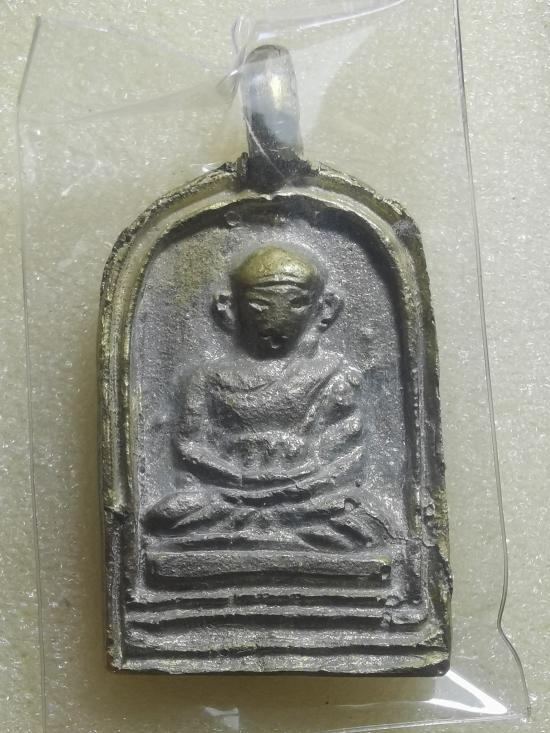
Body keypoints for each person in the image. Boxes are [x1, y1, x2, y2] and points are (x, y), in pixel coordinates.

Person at [144, 244, 388, 551]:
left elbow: (347, 453)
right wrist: (239, 478)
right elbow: (188, 446)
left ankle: (251, 535)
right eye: (259, 305)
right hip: (227, 494)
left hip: (307, 495)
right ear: (229, 307)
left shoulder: (334, 374)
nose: (277, 318)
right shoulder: (208, 377)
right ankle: (281, 536)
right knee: (165, 517)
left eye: (296, 303)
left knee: (364, 517)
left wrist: (300, 481)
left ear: (325, 308)